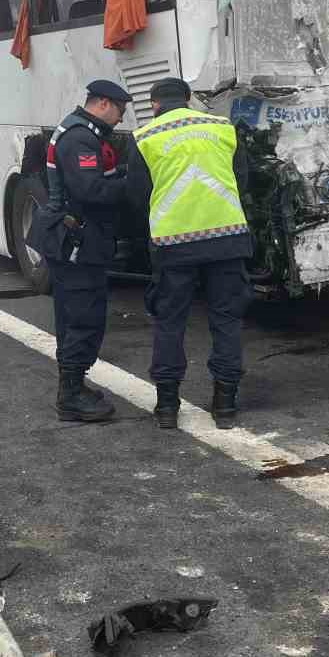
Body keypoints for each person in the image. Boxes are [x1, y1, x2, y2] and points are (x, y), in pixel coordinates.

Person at [131, 77, 252, 430]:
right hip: (227, 238)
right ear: (188, 100)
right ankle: (225, 405)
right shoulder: (222, 128)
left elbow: (137, 195)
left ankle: (167, 406)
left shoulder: (145, 137)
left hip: (173, 244)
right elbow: (242, 179)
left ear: (154, 104)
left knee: (170, 322)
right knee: (226, 320)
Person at [30, 79, 133, 422]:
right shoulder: (79, 138)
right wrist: (129, 184)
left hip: (74, 238)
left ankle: (73, 386)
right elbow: (90, 190)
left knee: (74, 314)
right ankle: (71, 395)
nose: (121, 118)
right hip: (76, 241)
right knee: (83, 317)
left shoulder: (80, 131)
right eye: (120, 110)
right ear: (103, 103)